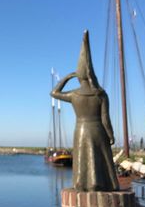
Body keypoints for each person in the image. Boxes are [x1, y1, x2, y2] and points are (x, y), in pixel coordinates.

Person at [51, 31, 119, 192]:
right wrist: (111, 134)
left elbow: (54, 93)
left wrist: (66, 77)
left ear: (79, 78)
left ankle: (81, 184)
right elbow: (105, 119)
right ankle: (106, 183)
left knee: (83, 158)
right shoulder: (101, 94)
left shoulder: (74, 95)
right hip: (98, 130)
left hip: (81, 129)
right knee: (101, 157)